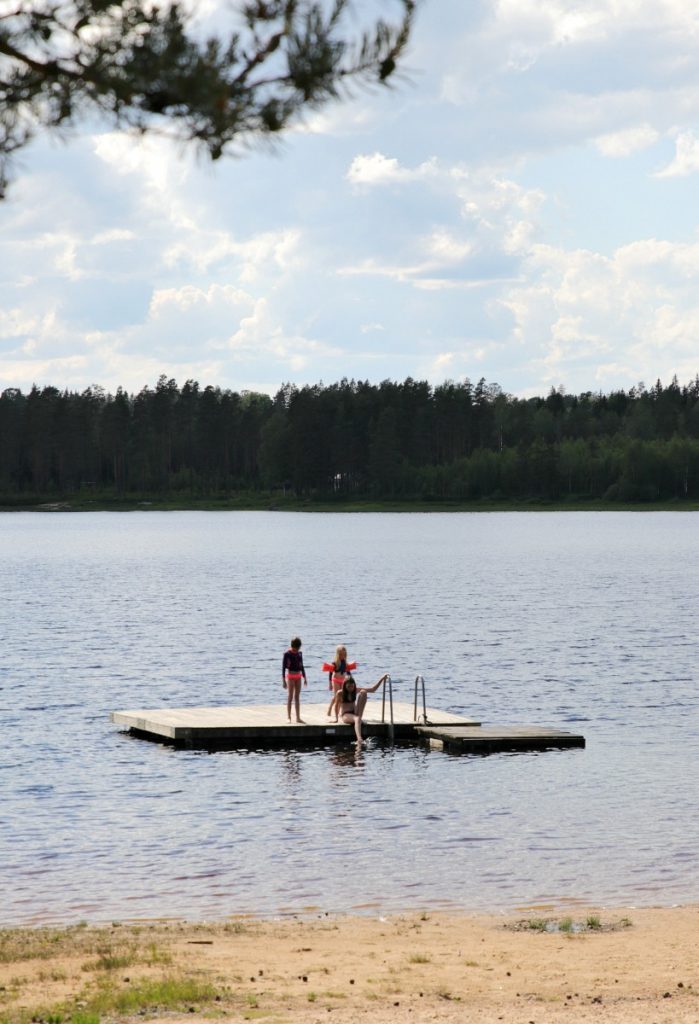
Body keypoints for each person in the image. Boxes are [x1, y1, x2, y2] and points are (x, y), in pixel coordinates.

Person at [338, 672, 388, 746]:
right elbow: (335, 704)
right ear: (345, 686)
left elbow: (372, 689)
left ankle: (359, 720)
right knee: (357, 719)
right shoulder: (340, 693)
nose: (350, 689)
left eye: (352, 686)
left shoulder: (355, 690)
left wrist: (382, 679)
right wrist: (336, 718)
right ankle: (359, 739)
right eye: (348, 687)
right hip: (346, 715)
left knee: (363, 692)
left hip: (355, 713)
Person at [323, 644, 357, 721]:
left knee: (342, 696)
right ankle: (330, 708)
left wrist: (351, 680)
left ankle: (339, 712)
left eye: (344, 654)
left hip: (343, 680)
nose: (342, 656)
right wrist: (330, 683)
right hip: (335, 680)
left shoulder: (345, 662)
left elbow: (348, 672)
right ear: (338, 654)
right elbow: (330, 673)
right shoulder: (335, 663)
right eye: (341, 654)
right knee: (336, 696)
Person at [282, 636, 307, 723]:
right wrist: (283, 680)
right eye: (295, 648)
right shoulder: (287, 654)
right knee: (290, 696)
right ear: (292, 646)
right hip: (290, 676)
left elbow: (302, 666)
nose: (296, 650)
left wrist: (305, 677)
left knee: (297, 697)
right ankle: (288, 717)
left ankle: (298, 717)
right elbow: (283, 667)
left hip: (298, 676)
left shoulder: (299, 654)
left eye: (298, 648)